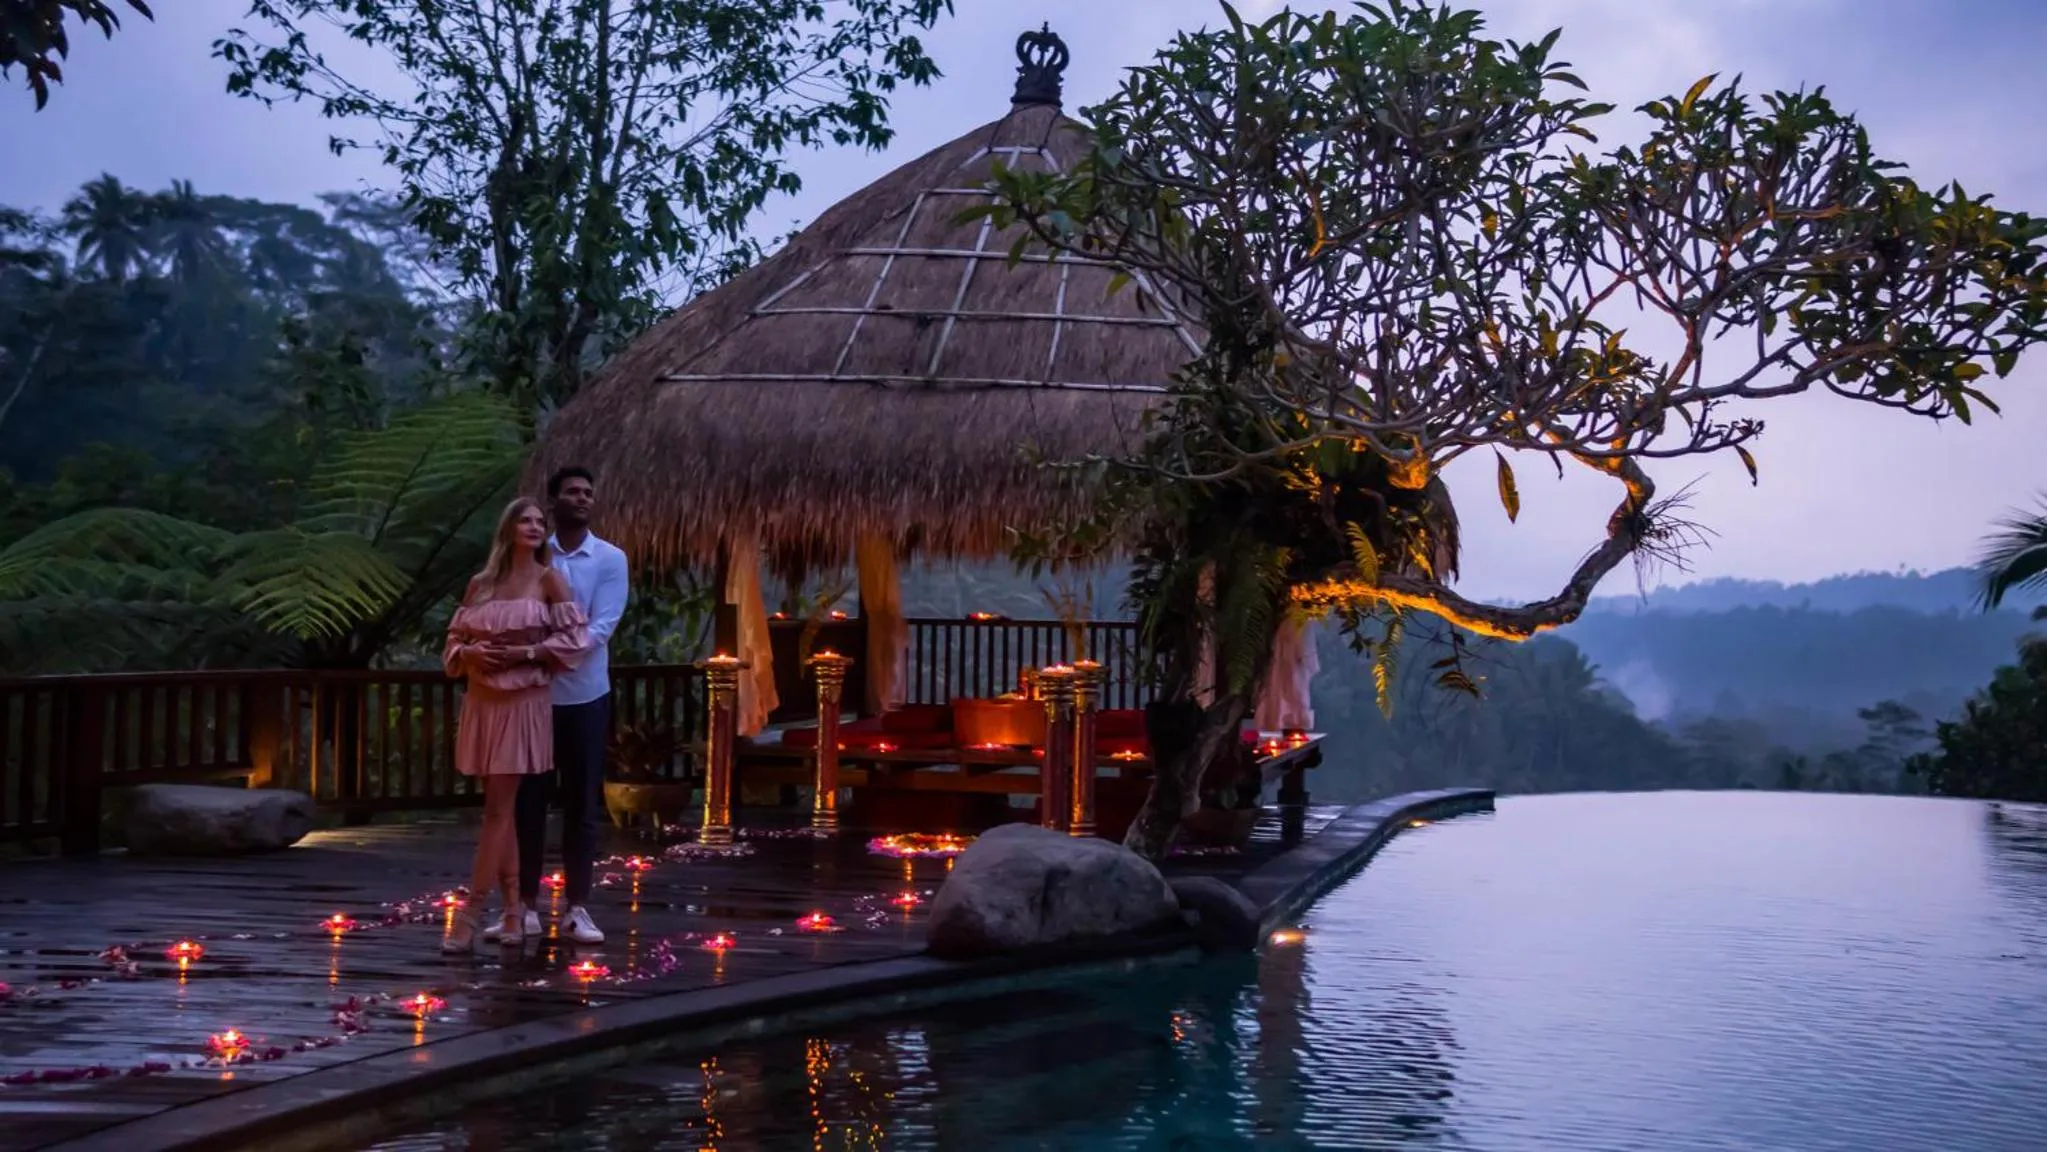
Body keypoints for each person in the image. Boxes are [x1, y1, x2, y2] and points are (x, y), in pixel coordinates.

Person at [441, 496, 591, 953]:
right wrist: (468, 653)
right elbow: (453, 640)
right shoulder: (481, 583)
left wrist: (525, 653)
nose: (534, 526)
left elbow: (575, 640)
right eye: (525, 520)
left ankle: (470, 913)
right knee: (499, 811)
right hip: (482, 702)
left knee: (497, 811)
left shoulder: (549, 580)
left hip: (523, 702)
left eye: (539, 521)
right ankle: (511, 912)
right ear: (507, 528)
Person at [490, 466, 630, 946]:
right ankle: (524, 906)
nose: (582, 498)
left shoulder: (609, 559)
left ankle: (577, 907)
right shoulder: (532, 556)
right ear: (553, 502)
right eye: (572, 492)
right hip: (532, 698)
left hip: (585, 695)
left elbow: (601, 627)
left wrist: (536, 653)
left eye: (588, 492)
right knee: (528, 803)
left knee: (581, 804)